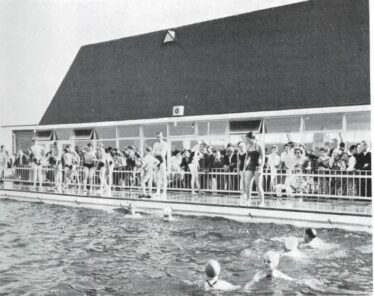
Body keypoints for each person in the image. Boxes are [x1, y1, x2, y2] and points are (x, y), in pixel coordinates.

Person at [168, 259, 239, 291]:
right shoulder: (224, 284)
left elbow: (189, 284)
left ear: (205, 272)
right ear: (219, 272)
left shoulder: (201, 283)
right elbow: (237, 287)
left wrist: (181, 280)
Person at [244, 132, 265, 206]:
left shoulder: (259, 146)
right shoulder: (248, 146)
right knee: (247, 184)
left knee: (258, 185)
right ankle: (248, 200)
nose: (246, 139)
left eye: (247, 138)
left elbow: (263, 158)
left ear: (250, 138)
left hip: (257, 166)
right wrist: (244, 168)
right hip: (250, 166)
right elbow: (246, 159)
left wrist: (261, 168)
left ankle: (262, 202)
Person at [153, 132, 169, 198]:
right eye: (157, 137)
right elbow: (153, 153)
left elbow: (162, 154)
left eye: (160, 136)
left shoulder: (165, 144)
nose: (158, 138)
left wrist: (157, 152)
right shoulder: (155, 144)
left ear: (162, 136)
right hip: (156, 161)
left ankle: (164, 191)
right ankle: (158, 191)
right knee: (157, 177)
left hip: (162, 161)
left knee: (163, 177)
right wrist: (157, 153)